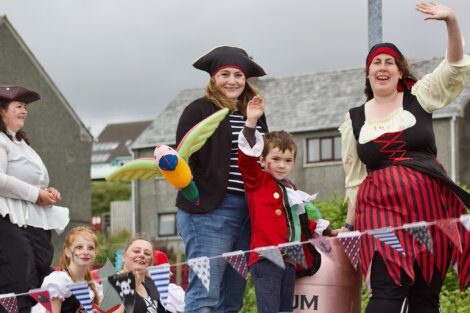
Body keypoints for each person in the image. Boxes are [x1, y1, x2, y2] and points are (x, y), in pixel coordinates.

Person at [339, 3, 469, 312]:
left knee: (425, 299)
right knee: (387, 294)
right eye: (376, 62)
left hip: (432, 207)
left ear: (400, 71)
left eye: (390, 62)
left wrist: (450, 21)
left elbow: (453, 66)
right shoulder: (352, 120)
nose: (383, 67)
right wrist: (348, 223)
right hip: (380, 210)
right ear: (368, 72)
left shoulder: (420, 96)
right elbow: (355, 179)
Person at [175, 45, 269, 312]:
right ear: (213, 78)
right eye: (225, 74)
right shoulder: (198, 110)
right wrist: (194, 195)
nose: (232, 81)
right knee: (205, 294)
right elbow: (181, 159)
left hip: (247, 212)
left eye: (238, 75)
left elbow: (260, 156)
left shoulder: (254, 113)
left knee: (231, 298)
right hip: (208, 212)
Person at [237, 97, 333, 313]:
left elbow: (299, 219)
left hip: (290, 259)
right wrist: (251, 122)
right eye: (276, 159)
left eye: (288, 160)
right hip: (266, 258)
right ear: (262, 160)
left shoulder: (291, 187)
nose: (282, 165)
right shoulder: (257, 180)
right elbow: (245, 158)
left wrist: (324, 228)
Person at [0, 86, 69, 313]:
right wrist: (35, 194)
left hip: (34, 221)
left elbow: (35, 181)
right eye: (18, 106)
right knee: (20, 274)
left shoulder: (23, 144)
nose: (24, 111)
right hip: (7, 219)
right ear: (2, 111)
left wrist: (47, 191)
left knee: (41, 272)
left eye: (25, 107)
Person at [41, 227, 101, 313]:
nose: (86, 252)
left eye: (90, 248)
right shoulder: (59, 281)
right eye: (79, 247)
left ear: (95, 253)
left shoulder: (89, 286)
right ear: (68, 252)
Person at [115, 238, 167, 313]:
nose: (142, 255)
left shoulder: (151, 285)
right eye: (136, 251)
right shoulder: (113, 284)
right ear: (124, 256)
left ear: (150, 262)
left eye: (147, 253)